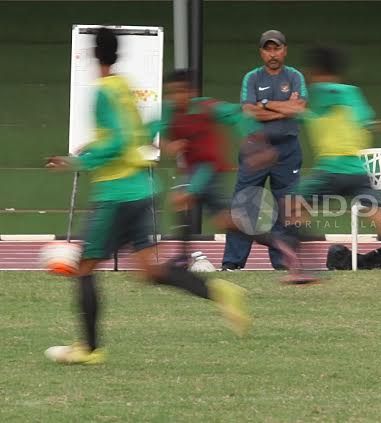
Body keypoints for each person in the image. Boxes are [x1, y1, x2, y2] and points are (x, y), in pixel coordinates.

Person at [43, 28, 250, 365]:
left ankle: (89, 349)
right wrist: (96, 146)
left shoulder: (101, 92)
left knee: (84, 268)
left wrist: (77, 160)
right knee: (149, 272)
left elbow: (121, 141)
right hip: (141, 188)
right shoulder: (124, 88)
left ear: (94, 54)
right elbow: (134, 134)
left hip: (117, 193)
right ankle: (219, 292)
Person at [281, 45, 381, 300]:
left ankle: (305, 269)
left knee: (292, 204)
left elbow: (322, 106)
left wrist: (296, 109)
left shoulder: (323, 90)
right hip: (359, 172)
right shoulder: (354, 93)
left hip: (332, 169)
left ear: (315, 71)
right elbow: (357, 118)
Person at [148, 69, 267, 265]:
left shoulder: (207, 107)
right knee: (226, 221)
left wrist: (253, 141)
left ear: (191, 92)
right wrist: (167, 145)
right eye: (171, 92)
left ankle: (183, 257)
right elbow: (149, 134)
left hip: (209, 168)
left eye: (181, 91)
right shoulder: (168, 109)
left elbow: (237, 114)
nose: (176, 97)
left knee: (180, 198)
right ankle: (280, 243)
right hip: (191, 170)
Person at [222, 29, 307, 271]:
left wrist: (267, 105)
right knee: (244, 204)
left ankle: (284, 263)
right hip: (255, 149)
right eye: (268, 49)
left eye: (277, 48)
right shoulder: (252, 78)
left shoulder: (295, 76)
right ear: (261, 52)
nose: (273, 54)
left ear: (285, 50)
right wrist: (283, 108)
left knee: (287, 207)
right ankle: (232, 263)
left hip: (287, 150)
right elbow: (250, 111)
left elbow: (298, 109)